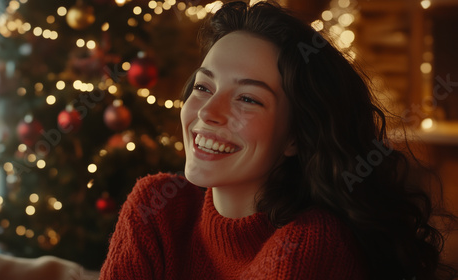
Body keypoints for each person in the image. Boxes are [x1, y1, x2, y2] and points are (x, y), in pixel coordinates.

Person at [99, 1, 456, 279]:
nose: (208, 112)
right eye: (204, 86)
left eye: (248, 99)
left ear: (295, 137)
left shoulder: (309, 244)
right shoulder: (156, 208)